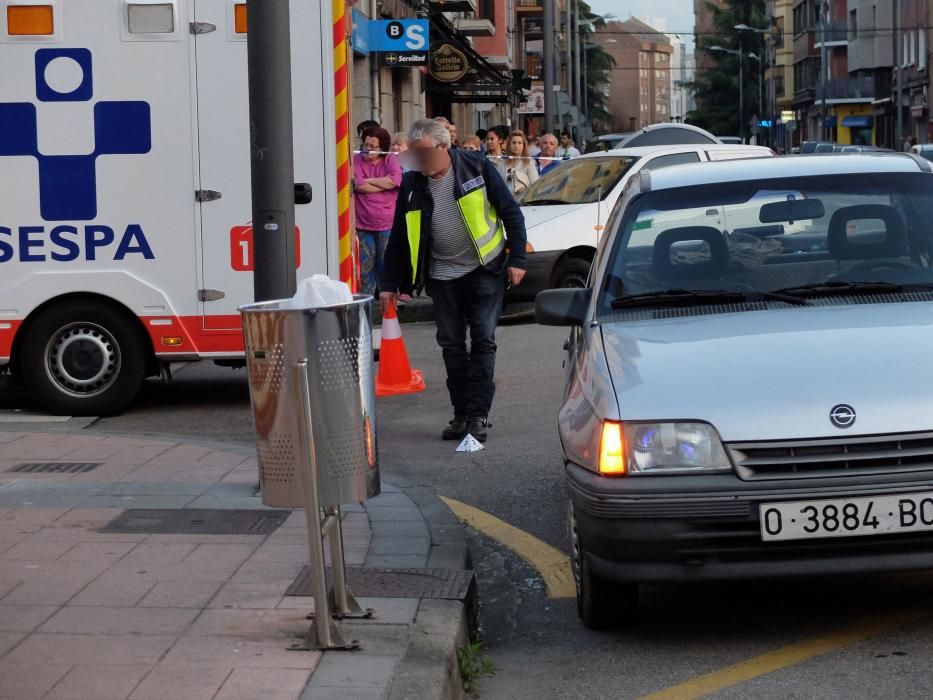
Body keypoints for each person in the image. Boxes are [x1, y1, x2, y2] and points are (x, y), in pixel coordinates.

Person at [382, 119, 527, 443]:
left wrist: (517, 258)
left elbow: (511, 213)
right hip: (442, 276)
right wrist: (389, 284)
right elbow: (399, 236)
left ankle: (478, 415)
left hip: (484, 271)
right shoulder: (412, 183)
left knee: (483, 340)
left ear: (444, 147)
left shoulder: (476, 167)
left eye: (423, 153)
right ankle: (461, 414)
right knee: (451, 346)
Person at [353, 127, 402, 297]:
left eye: (373, 146)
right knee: (365, 268)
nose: (368, 149)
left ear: (383, 147)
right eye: (365, 145)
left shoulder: (390, 160)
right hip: (363, 224)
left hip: (387, 224)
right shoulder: (357, 160)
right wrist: (383, 184)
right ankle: (366, 303)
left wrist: (369, 182)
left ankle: (387, 305)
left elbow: (396, 180)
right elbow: (357, 184)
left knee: (385, 265)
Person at [503, 130, 539, 197]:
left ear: (524, 145)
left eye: (519, 143)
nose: (516, 145)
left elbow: (535, 185)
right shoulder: (503, 163)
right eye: (514, 142)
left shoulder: (529, 162)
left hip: (523, 202)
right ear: (509, 145)